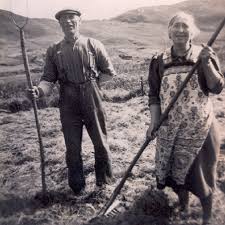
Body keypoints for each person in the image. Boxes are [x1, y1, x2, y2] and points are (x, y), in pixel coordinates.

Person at [146, 12, 224, 225]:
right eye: (176, 26)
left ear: (193, 31)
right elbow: (153, 95)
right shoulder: (159, 60)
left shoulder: (204, 54)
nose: (181, 30)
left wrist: (207, 64)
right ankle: (184, 206)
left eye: (185, 26)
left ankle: (207, 217)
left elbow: (217, 87)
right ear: (169, 32)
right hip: (170, 128)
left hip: (200, 128)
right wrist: (154, 122)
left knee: (201, 174)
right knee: (177, 173)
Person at [29, 8, 116, 195]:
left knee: (100, 141)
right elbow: (48, 80)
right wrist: (39, 91)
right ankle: (77, 187)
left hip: (92, 97)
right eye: (64, 19)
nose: (68, 22)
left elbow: (109, 73)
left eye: (72, 18)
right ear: (59, 24)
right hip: (67, 100)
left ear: (79, 21)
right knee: (72, 146)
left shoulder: (93, 44)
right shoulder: (54, 50)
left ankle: (104, 183)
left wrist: (91, 85)